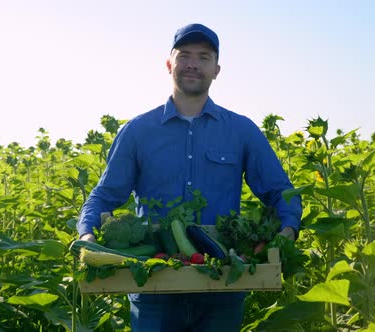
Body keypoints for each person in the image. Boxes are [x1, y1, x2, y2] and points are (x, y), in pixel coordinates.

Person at [77, 23, 302, 332]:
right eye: (184, 56)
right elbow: (105, 195)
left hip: (223, 277)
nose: (193, 64)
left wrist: (288, 228)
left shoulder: (241, 131)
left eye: (204, 57)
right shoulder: (138, 132)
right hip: (153, 282)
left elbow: (280, 191)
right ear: (170, 64)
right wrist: (88, 234)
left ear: (217, 69)